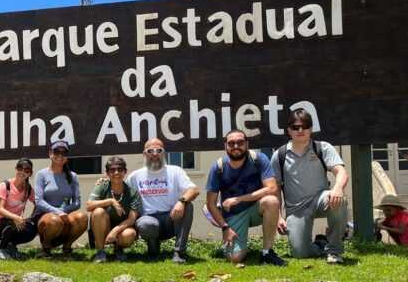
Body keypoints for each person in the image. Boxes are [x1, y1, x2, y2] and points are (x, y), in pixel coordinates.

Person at [271, 109, 349, 264]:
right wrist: (278, 216)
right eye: (295, 127)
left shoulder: (322, 148)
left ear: (311, 129)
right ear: (289, 130)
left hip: (320, 199)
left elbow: (341, 171)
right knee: (300, 253)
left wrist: (338, 188)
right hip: (296, 209)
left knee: (339, 200)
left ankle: (334, 251)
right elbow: (275, 189)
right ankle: (321, 244)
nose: (300, 130)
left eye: (305, 126)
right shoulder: (279, 155)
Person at [206, 129, 286, 266]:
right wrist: (225, 227)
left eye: (240, 142)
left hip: (256, 208)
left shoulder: (258, 159)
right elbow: (210, 203)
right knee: (235, 258)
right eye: (231, 143)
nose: (236, 146)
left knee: (271, 201)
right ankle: (233, 248)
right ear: (225, 146)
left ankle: (267, 252)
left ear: (247, 144)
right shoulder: (218, 167)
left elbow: (272, 188)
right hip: (234, 214)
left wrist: (239, 199)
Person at [129, 138, 199, 263]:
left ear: (164, 153)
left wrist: (181, 202)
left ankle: (179, 252)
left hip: (171, 218)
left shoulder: (175, 171)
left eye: (158, 150)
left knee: (188, 206)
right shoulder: (135, 176)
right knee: (147, 224)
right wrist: (105, 182)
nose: (155, 154)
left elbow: (194, 190)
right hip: (148, 219)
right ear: (144, 154)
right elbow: (121, 191)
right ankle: (153, 247)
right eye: (150, 151)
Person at [33, 140, 88, 258]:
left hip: (65, 214)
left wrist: (63, 210)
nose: (60, 155)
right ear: (50, 154)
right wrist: (58, 212)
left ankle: (67, 248)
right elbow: (38, 201)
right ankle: (46, 249)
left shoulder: (72, 176)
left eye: (64, 153)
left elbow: (77, 202)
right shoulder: (41, 174)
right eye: (56, 152)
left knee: (82, 217)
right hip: (46, 217)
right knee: (54, 220)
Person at [87, 156, 142, 263]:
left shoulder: (133, 193)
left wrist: (115, 231)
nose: (116, 172)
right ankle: (100, 252)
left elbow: (131, 219)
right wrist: (110, 201)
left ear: (125, 172)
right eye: (112, 170)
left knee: (129, 234)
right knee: (98, 212)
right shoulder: (102, 186)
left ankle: (118, 249)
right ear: (107, 173)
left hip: (122, 230)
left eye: (120, 169)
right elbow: (89, 205)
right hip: (103, 227)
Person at [0, 158, 37, 260]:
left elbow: (38, 203)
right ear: (16, 169)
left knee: (32, 230)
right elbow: (0, 209)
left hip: (15, 223)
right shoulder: (5, 185)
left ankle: (11, 247)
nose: (22, 172)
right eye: (20, 168)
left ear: (30, 174)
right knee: (13, 224)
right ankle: (1, 249)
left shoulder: (28, 189)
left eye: (26, 170)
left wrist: (31, 218)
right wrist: (16, 217)